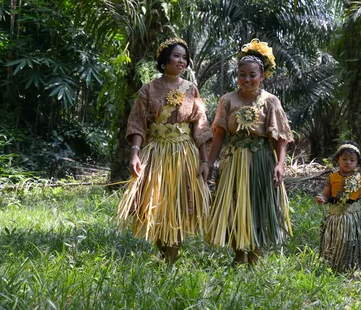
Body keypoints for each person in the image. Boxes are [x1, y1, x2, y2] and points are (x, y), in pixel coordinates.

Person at [117, 38, 212, 262]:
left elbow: (200, 126)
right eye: (177, 56)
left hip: (183, 154)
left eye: (185, 57)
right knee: (158, 204)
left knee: (179, 203)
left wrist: (205, 161)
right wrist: (134, 153)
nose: (181, 61)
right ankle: (162, 253)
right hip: (157, 153)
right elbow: (139, 124)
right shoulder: (148, 89)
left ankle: (172, 254)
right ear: (164, 60)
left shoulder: (191, 90)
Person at [206, 38, 293, 266]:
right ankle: (238, 255)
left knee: (258, 204)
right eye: (242, 74)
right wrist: (209, 162)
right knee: (234, 204)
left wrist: (280, 164)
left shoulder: (270, 102)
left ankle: (254, 255)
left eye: (252, 75)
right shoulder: (227, 100)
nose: (247, 79)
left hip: (262, 160)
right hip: (234, 160)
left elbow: (280, 137)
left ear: (262, 76)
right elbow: (219, 135)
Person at [316, 142, 361, 273]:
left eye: (352, 160)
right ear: (337, 159)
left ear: (357, 162)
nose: (348, 162)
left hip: (352, 217)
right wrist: (322, 199)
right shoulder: (332, 177)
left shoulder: (360, 178)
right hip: (335, 217)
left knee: (350, 241)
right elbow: (326, 195)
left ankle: (352, 267)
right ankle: (334, 265)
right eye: (344, 159)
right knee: (335, 240)